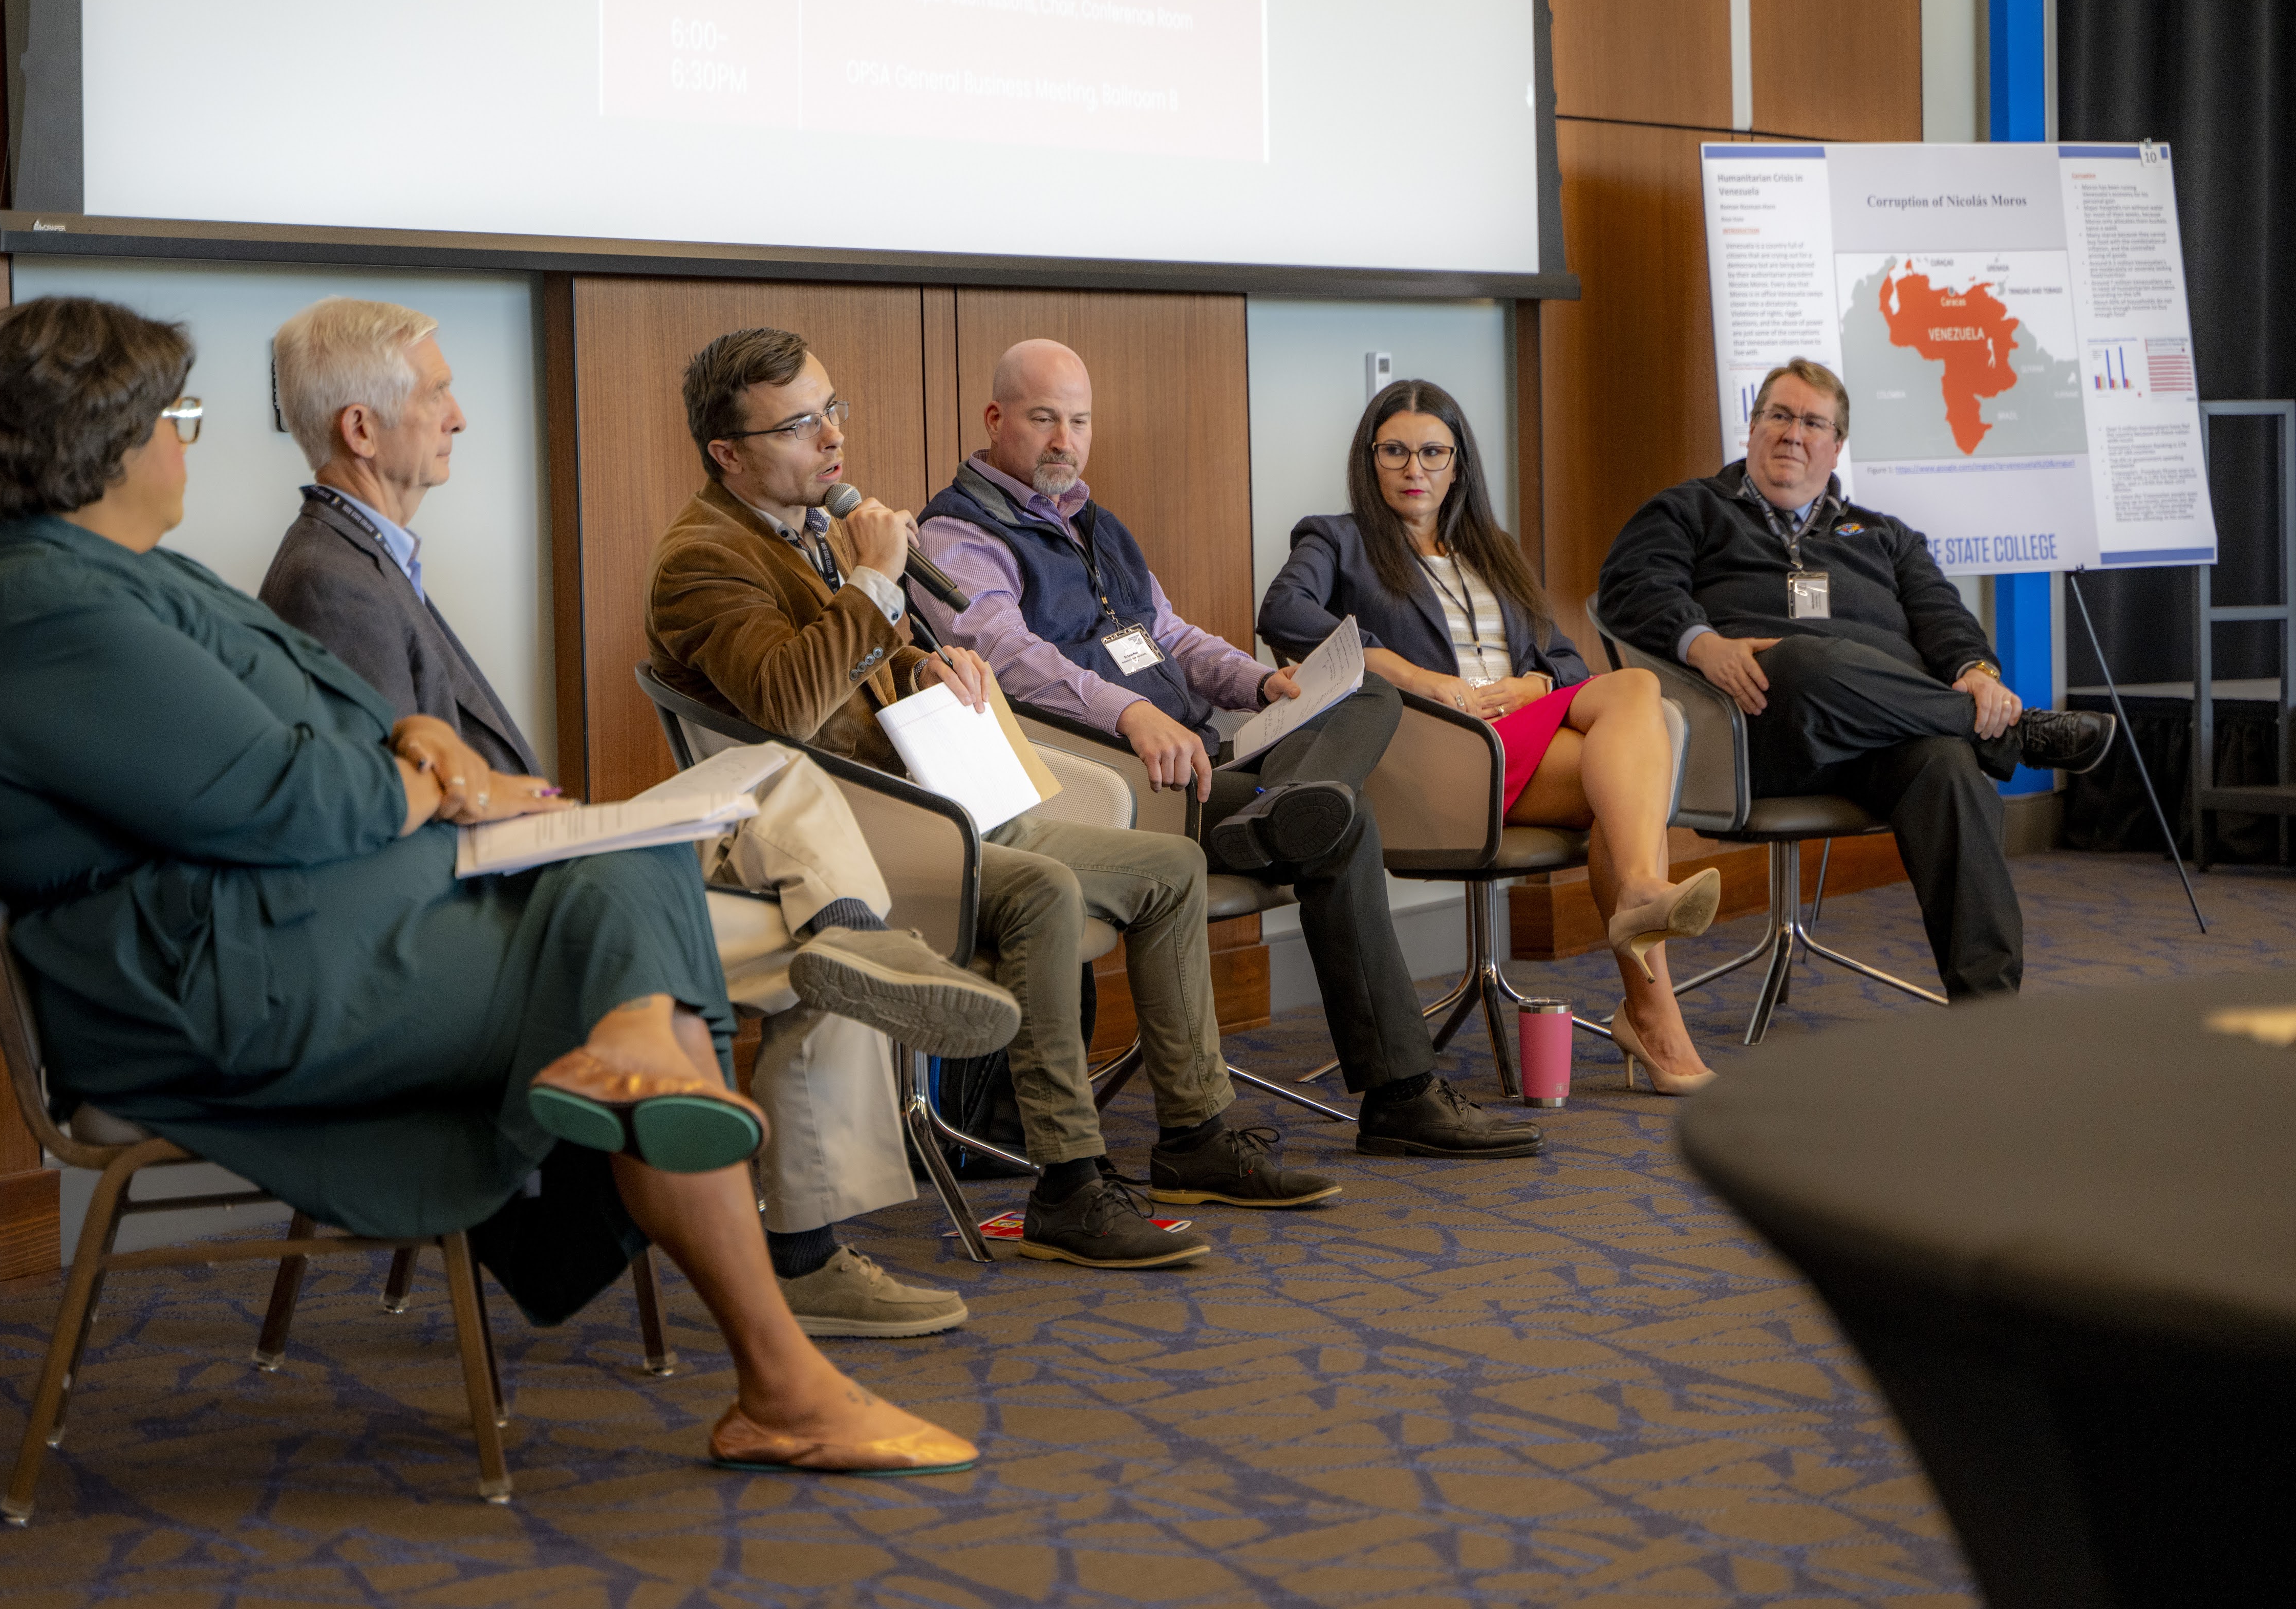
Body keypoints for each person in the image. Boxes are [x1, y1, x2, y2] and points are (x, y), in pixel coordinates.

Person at [0, 295, 972, 1476]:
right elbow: (306, 795)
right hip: (213, 984)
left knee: (618, 862)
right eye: (178, 415)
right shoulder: (48, 609)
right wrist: (424, 771)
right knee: (625, 903)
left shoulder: (110, 577)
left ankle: (667, 1120)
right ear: (107, 436)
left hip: (273, 931)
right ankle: (766, 1341)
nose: (189, 438)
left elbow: (346, 723)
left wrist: (415, 739)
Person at [256, 298, 1011, 1340]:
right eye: (439, 393)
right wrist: (500, 801)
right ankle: (808, 1244)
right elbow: (380, 818)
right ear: (359, 427)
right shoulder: (333, 579)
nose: (461, 417)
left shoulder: (363, 556)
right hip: (492, 910)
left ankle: (857, 938)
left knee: (769, 778)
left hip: (526, 859)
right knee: (811, 930)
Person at [648, 326, 1341, 1271]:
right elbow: (785, 703)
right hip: (839, 841)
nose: (831, 440)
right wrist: (872, 582)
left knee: (1172, 867)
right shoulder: (702, 558)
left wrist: (921, 657)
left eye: (833, 410)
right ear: (727, 454)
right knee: (1043, 889)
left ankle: (1195, 1139)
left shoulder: (808, 526)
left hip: (929, 797)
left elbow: (851, 668)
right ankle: (1066, 1184)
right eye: (800, 424)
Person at [914, 340, 1546, 1159]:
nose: (1064, 440)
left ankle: (1289, 807)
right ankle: (1400, 1094)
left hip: (1200, 763)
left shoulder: (1094, 524)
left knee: (1366, 692)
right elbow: (1003, 657)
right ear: (996, 420)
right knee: (1344, 823)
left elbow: (1168, 635)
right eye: (1043, 420)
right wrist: (1126, 714)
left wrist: (1261, 684)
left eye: (1078, 421)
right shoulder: (958, 532)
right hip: (1109, 778)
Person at [1597, 357, 2118, 999]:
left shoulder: (1884, 536)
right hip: (1754, 731)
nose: (1793, 433)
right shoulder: (1689, 510)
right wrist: (1702, 643)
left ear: (1835, 444)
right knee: (1803, 659)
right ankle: (2012, 733)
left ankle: (1990, 1014)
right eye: (1778, 416)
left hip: (1880, 742)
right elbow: (1629, 589)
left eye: (1812, 422)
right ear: (1752, 427)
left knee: (1948, 767)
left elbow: (1943, 619)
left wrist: (1977, 673)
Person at [1260, 379, 1721, 1093]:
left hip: (1517, 736)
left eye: (1433, 452)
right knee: (1633, 718)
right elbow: (1284, 613)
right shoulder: (1336, 539)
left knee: (1628, 722)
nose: (1415, 470)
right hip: (1436, 751)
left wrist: (1530, 686)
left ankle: (1648, 980)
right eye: (1395, 452)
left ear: (1457, 465)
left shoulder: (1491, 550)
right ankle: (1646, 969)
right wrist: (1409, 673)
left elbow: (1564, 661)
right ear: (1369, 459)